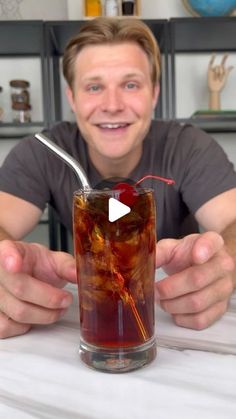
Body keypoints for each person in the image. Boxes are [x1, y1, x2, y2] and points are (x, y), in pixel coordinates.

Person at [0, 17, 236, 339]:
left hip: (173, 328)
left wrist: (227, 266)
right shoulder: (45, 152)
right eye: (94, 87)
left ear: (153, 94)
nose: (112, 105)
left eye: (130, 85)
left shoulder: (188, 147)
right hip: (95, 321)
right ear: (72, 98)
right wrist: (4, 268)